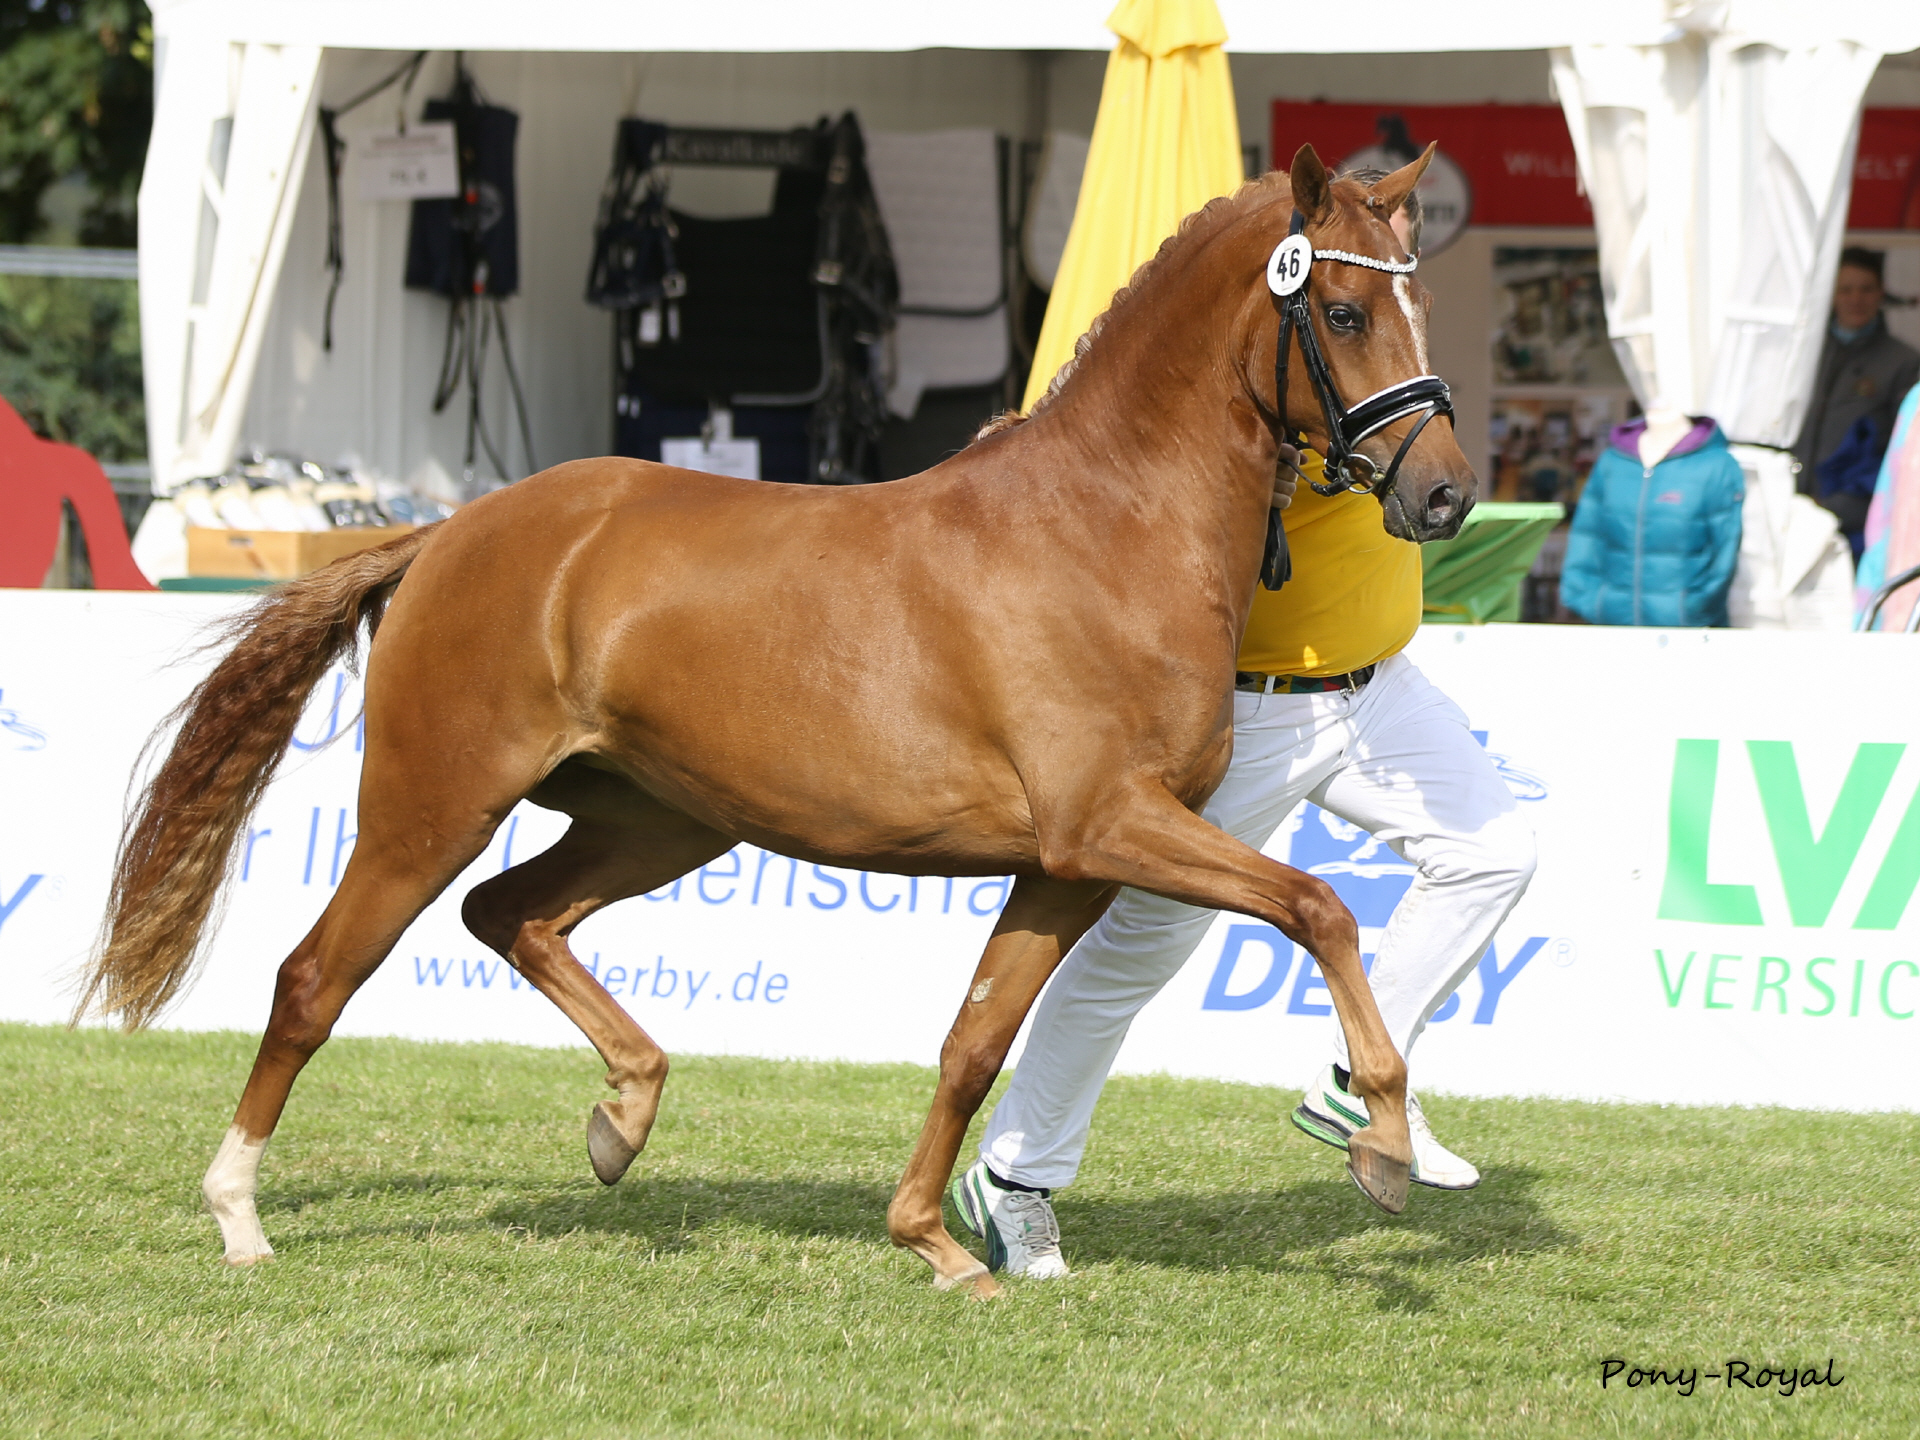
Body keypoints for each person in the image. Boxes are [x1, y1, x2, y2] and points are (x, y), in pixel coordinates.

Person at [949, 178, 1537, 1279]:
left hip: (1380, 687)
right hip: (1257, 705)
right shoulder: (1268, 366)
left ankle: (1356, 1075)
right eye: (1375, 230)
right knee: (1137, 953)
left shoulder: (1379, 334)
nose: (1393, 240)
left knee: (1495, 850)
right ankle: (1014, 1176)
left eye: (1398, 232)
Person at [1558, 410, 1745, 628]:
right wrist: (1591, 601)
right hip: (1613, 623)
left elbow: (1725, 548)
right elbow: (1587, 536)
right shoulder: (1612, 462)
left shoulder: (1716, 465)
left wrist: (1696, 608)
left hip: (1688, 629)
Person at [1793, 248, 1920, 553]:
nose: (1856, 299)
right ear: (1831, 295)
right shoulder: (1804, 353)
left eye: (1866, 289)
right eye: (1846, 290)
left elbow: (1902, 448)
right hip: (1794, 511)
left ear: (1880, 294)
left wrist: (1846, 504)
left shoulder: (1903, 361)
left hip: (1859, 522)